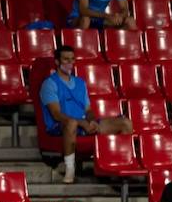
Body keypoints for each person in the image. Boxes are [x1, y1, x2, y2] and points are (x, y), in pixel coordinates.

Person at [40, 45, 132, 184]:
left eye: (72, 59)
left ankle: (118, 166)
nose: (69, 63)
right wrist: (81, 122)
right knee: (71, 123)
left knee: (125, 123)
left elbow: (88, 110)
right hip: (61, 126)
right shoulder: (49, 84)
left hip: (83, 123)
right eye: (65, 59)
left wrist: (92, 121)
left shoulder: (80, 83)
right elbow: (57, 115)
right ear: (57, 62)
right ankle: (70, 170)